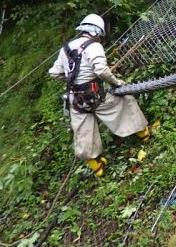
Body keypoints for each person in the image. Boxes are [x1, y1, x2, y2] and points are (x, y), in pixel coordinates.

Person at [48, 14, 150, 176]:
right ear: (97, 32)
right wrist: (116, 83)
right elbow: (101, 70)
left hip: (75, 99)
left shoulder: (65, 49)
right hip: (95, 94)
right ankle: (144, 134)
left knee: (83, 130)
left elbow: (54, 73)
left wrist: (71, 80)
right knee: (125, 101)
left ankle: (97, 167)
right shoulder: (94, 46)